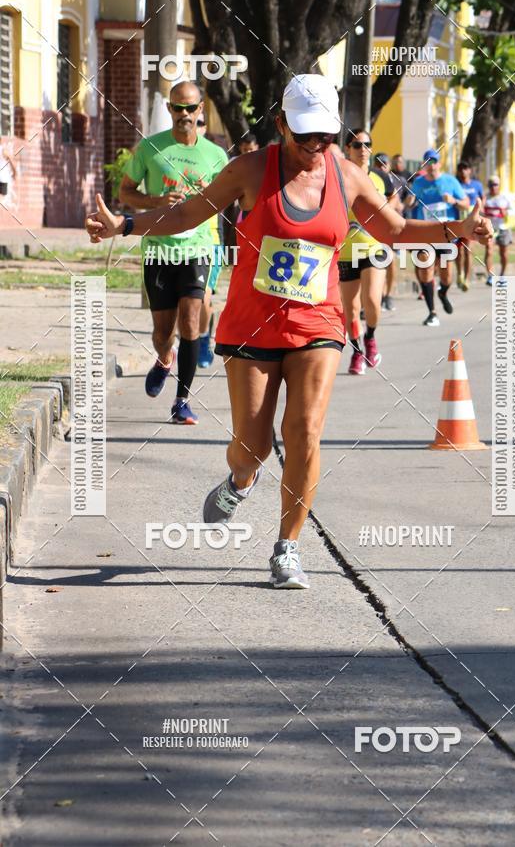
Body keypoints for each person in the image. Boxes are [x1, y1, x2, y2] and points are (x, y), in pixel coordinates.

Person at [87, 73, 493, 590]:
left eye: (324, 136)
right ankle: (240, 478)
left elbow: (392, 229)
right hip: (251, 326)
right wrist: (125, 226)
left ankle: (287, 548)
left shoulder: (345, 175)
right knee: (252, 448)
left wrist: (455, 230)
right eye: (305, 136)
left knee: (303, 432)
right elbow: (189, 213)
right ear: (281, 124)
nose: (315, 147)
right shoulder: (251, 171)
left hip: (318, 322)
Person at [119, 81, 227, 422]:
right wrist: (155, 202)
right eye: (178, 108)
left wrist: (212, 196)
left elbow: (228, 201)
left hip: (197, 248)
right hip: (159, 250)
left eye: (191, 108)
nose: (184, 115)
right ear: (169, 109)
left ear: (200, 111)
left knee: (191, 319)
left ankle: (182, 400)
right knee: (163, 332)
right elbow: (125, 193)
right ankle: (165, 358)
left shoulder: (216, 156)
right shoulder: (150, 148)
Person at [338, 131, 392, 374]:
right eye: (357, 144)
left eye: (367, 144)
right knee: (349, 310)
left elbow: (393, 206)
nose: (363, 149)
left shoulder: (381, 178)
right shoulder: (339, 177)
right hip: (347, 251)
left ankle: (370, 337)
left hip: (374, 247)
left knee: (371, 300)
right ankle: (357, 352)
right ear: (348, 148)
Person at [404, 149, 470, 326]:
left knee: (447, 275)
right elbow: (409, 202)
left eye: (434, 162)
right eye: (427, 163)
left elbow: (466, 204)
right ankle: (432, 312)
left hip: (446, 235)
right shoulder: (418, 183)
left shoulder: (450, 181)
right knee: (425, 269)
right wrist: (409, 202)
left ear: (439, 163)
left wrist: (454, 201)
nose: (431, 166)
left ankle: (443, 292)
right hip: (425, 233)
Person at [196, 114, 229, 369]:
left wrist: (209, 188)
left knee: (203, 296)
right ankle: (190, 340)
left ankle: (204, 338)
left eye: (199, 123)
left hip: (211, 241)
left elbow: (229, 197)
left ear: (205, 127)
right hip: (177, 241)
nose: (192, 126)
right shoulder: (167, 153)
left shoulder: (216, 155)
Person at [373, 152, 402, 312]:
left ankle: (388, 295)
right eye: (378, 164)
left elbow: (396, 200)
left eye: (384, 164)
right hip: (371, 227)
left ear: (389, 166)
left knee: (390, 261)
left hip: (390, 226)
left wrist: (384, 211)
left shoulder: (392, 180)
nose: (381, 167)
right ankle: (377, 296)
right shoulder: (369, 177)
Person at [455, 161, 484, 292]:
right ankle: (459, 273)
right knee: (458, 251)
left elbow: (482, 198)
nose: (463, 171)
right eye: (460, 169)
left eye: (465, 169)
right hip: (458, 221)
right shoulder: (456, 184)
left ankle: (467, 279)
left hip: (471, 222)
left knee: (468, 250)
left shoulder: (476, 185)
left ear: (470, 171)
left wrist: (478, 211)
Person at [483, 175, 513, 283]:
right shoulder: (485, 198)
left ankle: (502, 275)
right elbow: (480, 211)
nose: (493, 187)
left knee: (503, 253)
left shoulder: (505, 197)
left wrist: (506, 212)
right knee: (489, 250)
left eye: (495, 184)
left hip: (503, 227)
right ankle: (490, 276)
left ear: (499, 186)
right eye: (491, 185)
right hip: (490, 228)